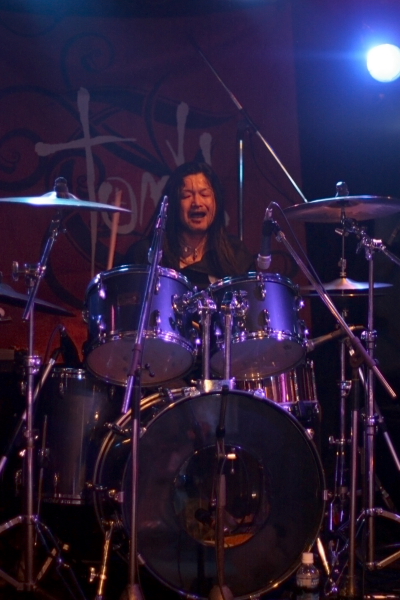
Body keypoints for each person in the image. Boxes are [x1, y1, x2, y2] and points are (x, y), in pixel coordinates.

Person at [121, 161, 255, 287]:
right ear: (174, 204)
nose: (197, 202)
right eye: (186, 196)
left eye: (204, 194)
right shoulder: (144, 255)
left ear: (216, 201)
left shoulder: (236, 255)